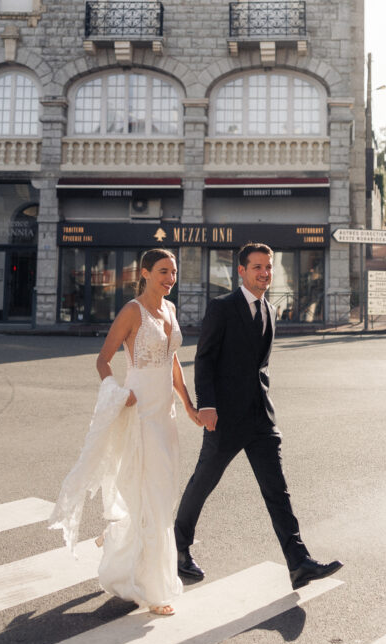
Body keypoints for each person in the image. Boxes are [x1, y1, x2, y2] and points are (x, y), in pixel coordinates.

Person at [174, 242, 343, 591]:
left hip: (261, 419)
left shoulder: (270, 310)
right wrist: (206, 405)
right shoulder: (222, 308)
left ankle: (298, 562)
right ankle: (178, 550)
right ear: (241, 271)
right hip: (224, 419)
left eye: (268, 267)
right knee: (203, 484)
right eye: (257, 267)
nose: (265, 273)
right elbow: (204, 359)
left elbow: (259, 366)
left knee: (277, 491)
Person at [49, 248, 201, 617]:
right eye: (163, 271)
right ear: (145, 273)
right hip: (140, 413)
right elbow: (102, 359)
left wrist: (189, 405)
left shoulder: (171, 310)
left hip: (164, 415)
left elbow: (172, 362)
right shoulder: (132, 311)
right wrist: (118, 393)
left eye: (174, 273)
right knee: (150, 495)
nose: (170, 278)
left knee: (161, 493)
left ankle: (119, 532)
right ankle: (153, 590)